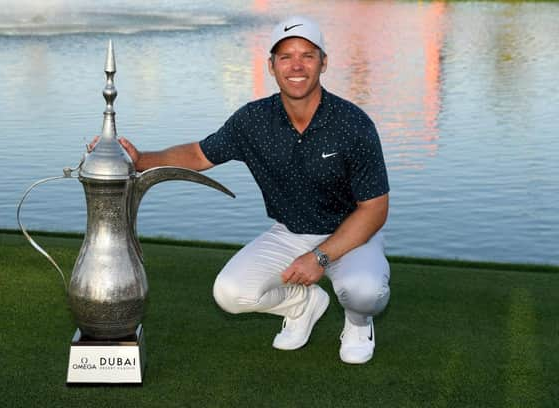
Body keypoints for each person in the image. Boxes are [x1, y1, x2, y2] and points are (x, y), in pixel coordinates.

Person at [117, 16, 390, 364]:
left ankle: (357, 323)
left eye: (307, 55)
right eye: (285, 56)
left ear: (324, 62)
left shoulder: (353, 124)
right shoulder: (253, 120)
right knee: (230, 294)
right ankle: (303, 305)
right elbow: (199, 154)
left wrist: (319, 257)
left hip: (351, 234)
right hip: (289, 233)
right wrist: (142, 160)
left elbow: (375, 209)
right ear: (271, 66)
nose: (296, 65)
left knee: (364, 293)